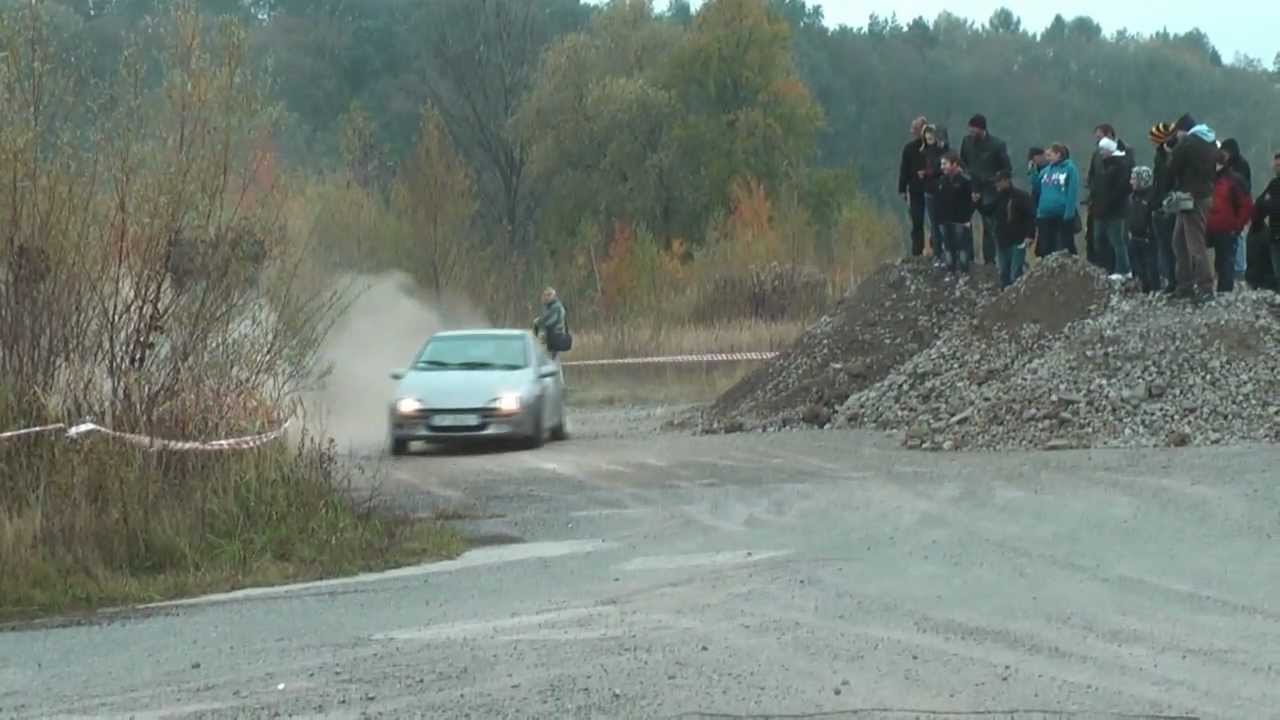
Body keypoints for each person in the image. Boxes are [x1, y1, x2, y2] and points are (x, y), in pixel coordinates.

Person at [1166, 113, 1218, 304]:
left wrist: (1171, 150)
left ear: (1183, 130)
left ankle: (1205, 287)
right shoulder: (1209, 141)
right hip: (1204, 194)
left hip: (1192, 197)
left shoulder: (1187, 143)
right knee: (1179, 240)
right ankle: (1185, 284)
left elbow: (1172, 168)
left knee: (1195, 243)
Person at [960, 114, 1012, 266]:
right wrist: (969, 180)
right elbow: (963, 163)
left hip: (990, 191)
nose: (971, 132)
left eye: (973, 129)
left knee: (989, 226)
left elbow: (1007, 169)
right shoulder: (966, 141)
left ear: (982, 129)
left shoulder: (997, 145)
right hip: (970, 188)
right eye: (970, 129)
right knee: (964, 223)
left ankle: (989, 261)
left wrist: (993, 180)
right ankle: (967, 259)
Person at [1205, 150, 1254, 293]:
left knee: (1226, 261)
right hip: (1210, 228)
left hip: (1227, 229)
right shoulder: (1209, 180)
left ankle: (1225, 292)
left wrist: (1237, 226)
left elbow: (1246, 205)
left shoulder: (1234, 181)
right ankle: (1216, 289)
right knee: (1219, 261)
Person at [1094, 137, 1132, 280]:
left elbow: (1121, 188)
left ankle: (1123, 269)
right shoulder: (1105, 165)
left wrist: (1109, 202)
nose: (1101, 153)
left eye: (1103, 150)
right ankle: (1108, 268)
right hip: (1103, 209)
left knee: (1117, 240)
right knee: (1102, 239)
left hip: (1115, 209)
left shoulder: (1120, 165)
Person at [991, 169, 1036, 289]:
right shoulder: (997, 198)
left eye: (999, 182)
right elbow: (988, 212)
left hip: (1018, 239)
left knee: (1015, 273)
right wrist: (977, 201)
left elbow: (1030, 217)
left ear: (1007, 181)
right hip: (1001, 239)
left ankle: (1016, 298)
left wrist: (1030, 235)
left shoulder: (1021, 196)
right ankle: (1004, 298)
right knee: (1003, 271)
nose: (997, 185)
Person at [1034, 143, 1081, 257]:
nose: (1047, 158)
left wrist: (1069, 213)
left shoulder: (1070, 169)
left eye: (1050, 155)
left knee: (1062, 246)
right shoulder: (1045, 171)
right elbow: (1037, 188)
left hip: (1062, 214)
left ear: (1058, 154)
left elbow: (1072, 191)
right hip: (1045, 214)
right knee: (1045, 247)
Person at [935, 151, 975, 275]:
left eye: (945, 164)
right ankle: (950, 272)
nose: (942, 167)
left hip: (960, 220)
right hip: (944, 220)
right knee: (947, 248)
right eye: (941, 164)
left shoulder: (965, 181)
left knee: (962, 248)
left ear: (954, 164)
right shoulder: (941, 181)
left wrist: (967, 219)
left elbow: (972, 202)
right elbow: (938, 201)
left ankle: (964, 273)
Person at [1149, 122, 1179, 292]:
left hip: (1171, 204)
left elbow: (1169, 180)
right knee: (1164, 246)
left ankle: (1177, 279)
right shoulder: (1159, 157)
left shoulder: (1169, 157)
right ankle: (1170, 280)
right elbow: (1157, 183)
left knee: (1172, 246)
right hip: (1160, 204)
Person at [1220, 138, 1252, 280]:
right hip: (1227, 206)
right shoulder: (1228, 165)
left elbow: (1245, 186)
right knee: (1230, 239)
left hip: (1238, 206)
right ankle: (1232, 269)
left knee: (1238, 237)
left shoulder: (1241, 165)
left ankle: (1240, 269)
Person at [1249, 152, 1280, 292]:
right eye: (1276, 165)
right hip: (1275, 234)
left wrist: (1270, 203)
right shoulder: (1274, 183)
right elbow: (1259, 203)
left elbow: (1267, 204)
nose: (1277, 168)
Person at [899, 116, 930, 257]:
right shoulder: (909, 149)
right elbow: (904, 169)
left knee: (935, 223)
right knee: (917, 223)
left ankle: (936, 251)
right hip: (915, 191)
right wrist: (902, 189)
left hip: (931, 190)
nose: (912, 132)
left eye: (915, 129)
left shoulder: (932, 147)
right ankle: (917, 253)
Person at [920, 124, 950, 265]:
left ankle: (948, 253)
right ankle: (937, 254)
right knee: (934, 225)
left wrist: (928, 173)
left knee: (944, 224)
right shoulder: (924, 152)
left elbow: (944, 169)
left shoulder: (945, 152)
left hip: (942, 192)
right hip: (929, 192)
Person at [1127, 166, 1159, 293]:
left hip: (1148, 239)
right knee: (1136, 268)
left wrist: (1150, 234)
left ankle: (1154, 291)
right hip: (1134, 237)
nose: (1131, 181)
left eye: (1134, 178)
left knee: (1151, 267)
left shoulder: (1152, 197)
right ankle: (1141, 291)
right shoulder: (1132, 197)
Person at [532, 286, 569, 363]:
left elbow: (549, 321)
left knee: (551, 360)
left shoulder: (556, 307)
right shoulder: (550, 306)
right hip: (552, 337)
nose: (546, 297)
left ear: (553, 296)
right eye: (545, 295)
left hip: (554, 336)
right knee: (551, 359)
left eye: (549, 295)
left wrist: (538, 322)